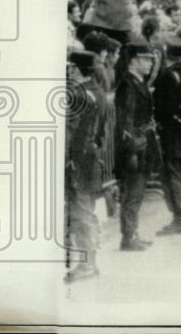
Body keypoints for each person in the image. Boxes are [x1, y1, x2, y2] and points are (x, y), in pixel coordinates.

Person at [64, 50, 106, 281]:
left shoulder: (78, 94)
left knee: (80, 211)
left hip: (78, 160)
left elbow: (70, 132)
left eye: (71, 67)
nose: (69, 70)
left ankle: (87, 263)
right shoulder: (97, 92)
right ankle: (90, 259)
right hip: (92, 157)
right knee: (86, 208)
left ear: (77, 69)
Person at [113, 38, 158, 251]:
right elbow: (125, 121)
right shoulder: (128, 85)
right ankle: (128, 237)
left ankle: (133, 233)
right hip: (134, 147)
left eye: (150, 59)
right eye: (145, 59)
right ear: (132, 61)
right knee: (132, 192)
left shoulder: (137, 82)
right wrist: (133, 147)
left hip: (141, 143)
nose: (150, 63)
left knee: (137, 192)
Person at [152, 37, 181, 236]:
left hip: (171, 131)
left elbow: (162, 108)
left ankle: (178, 218)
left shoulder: (167, 77)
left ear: (166, 54)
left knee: (173, 174)